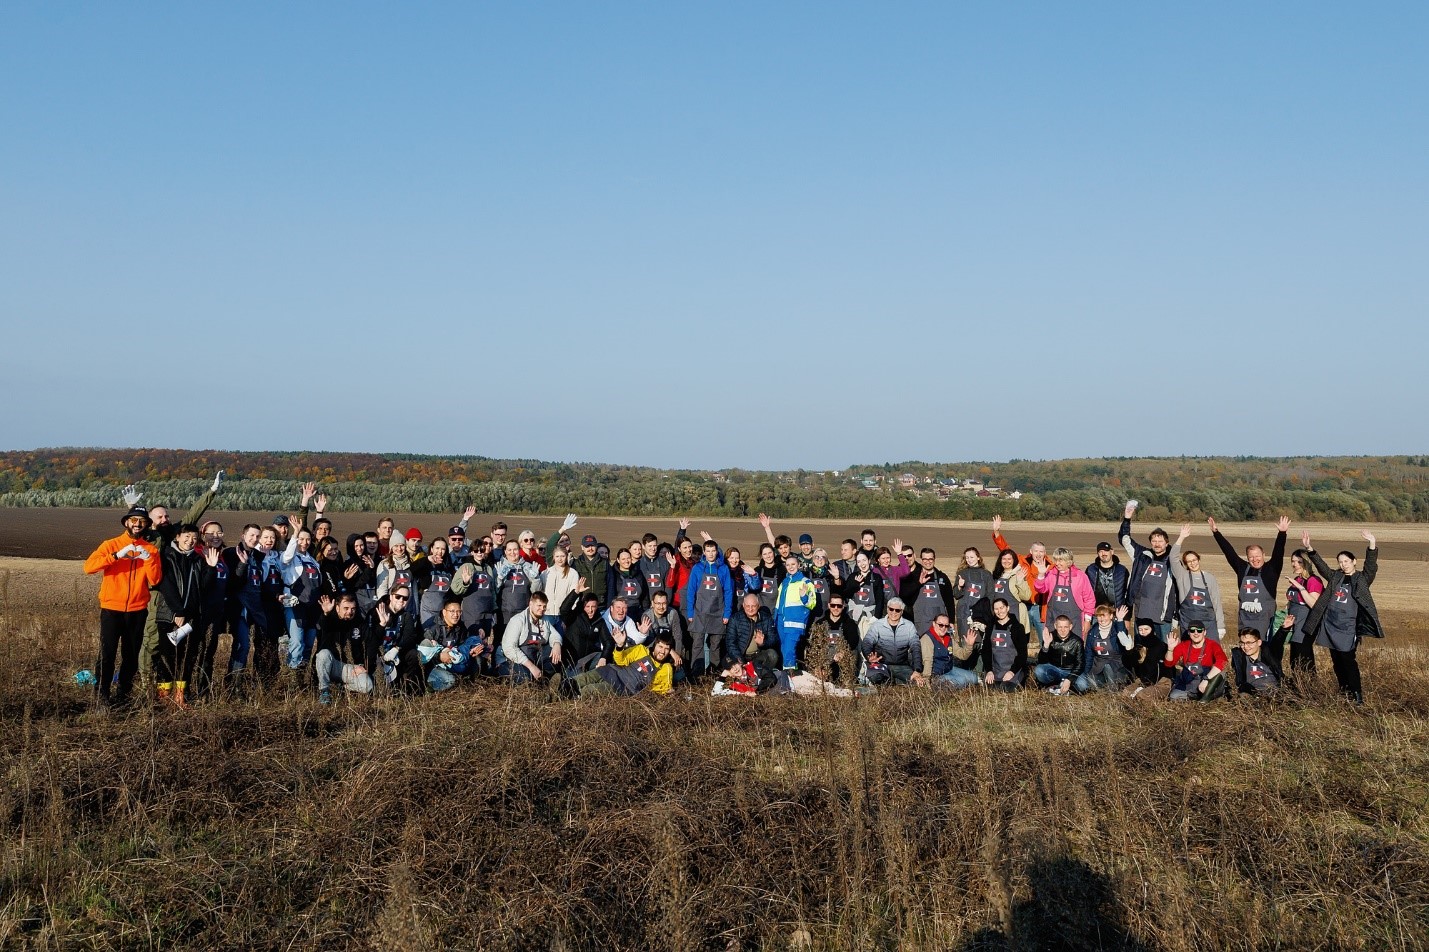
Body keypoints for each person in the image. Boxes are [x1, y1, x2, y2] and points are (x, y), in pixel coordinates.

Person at [1300, 529, 1382, 704]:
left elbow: (1371, 567)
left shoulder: (1362, 579)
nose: (1344, 564)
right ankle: (1344, 691)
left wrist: (1372, 544)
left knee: (1348, 660)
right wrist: (1309, 548)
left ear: (1354, 562)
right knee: (1336, 661)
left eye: (1346, 561)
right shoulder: (1335, 576)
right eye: (1340, 561)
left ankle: (1357, 695)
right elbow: (1321, 566)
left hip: (1348, 628)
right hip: (1330, 624)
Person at [151, 523, 217, 708]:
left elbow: (203, 588)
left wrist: (211, 568)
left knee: (187, 657)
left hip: (191, 618)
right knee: (167, 657)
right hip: (169, 616)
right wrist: (177, 612)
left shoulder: (198, 559)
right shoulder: (166, 556)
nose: (190, 541)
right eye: (187, 537)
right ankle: (163, 698)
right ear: (177, 537)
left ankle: (181, 697)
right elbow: (165, 584)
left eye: (194, 538)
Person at [1208, 516, 1290, 657]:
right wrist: (1216, 532)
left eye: (1258, 556)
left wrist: (1282, 533)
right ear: (1247, 558)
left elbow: (1278, 552)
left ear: (1264, 555)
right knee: (1245, 653)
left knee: (1265, 653)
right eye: (1251, 557)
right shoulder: (1242, 568)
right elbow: (1229, 552)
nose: (1255, 559)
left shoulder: (1272, 569)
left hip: (1265, 621)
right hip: (1245, 620)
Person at [1118, 502, 1178, 640]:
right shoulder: (1142, 556)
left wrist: (1176, 615)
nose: (1157, 544)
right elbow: (1125, 539)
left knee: (1163, 649)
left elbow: (1179, 589)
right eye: (1154, 541)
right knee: (1141, 650)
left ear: (1166, 543)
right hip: (1142, 613)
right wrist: (1127, 518)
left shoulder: (1173, 561)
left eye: (1160, 541)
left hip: (1163, 615)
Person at [991, 515, 1048, 644]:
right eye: (1036, 551)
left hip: (1040, 608)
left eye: (1041, 552)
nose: (1038, 554)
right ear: (1030, 551)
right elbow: (1006, 551)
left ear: (1045, 553)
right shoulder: (1022, 562)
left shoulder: (1049, 566)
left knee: (1045, 640)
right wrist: (996, 532)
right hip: (1023, 606)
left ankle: (1044, 663)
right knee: (1022, 637)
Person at [313, 594, 378, 703]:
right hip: (333, 665)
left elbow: (371, 645)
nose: (350, 612)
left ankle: (339, 688)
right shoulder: (330, 620)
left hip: (352, 668)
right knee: (323, 654)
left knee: (368, 686)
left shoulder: (360, 623)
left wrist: (365, 666)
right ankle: (324, 691)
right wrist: (326, 614)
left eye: (353, 608)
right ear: (337, 608)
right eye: (346, 608)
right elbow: (324, 624)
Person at [1170, 525, 1227, 643]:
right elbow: (1173, 558)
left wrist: (1220, 625)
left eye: (1194, 560)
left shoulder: (1209, 578)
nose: (1192, 563)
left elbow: (1216, 602)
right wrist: (1181, 537)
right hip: (1188, 623)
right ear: (1185, 564)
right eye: (1189, 561)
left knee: (1210, 656)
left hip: (1209, 624)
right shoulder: (1182, 576)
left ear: (1199, 560)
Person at [685, 539, 733, 677]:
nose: (711, 554)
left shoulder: (723, 568)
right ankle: (696, 673)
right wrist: (690, 612)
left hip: (718, 613)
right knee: (697, 644)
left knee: (715, 645)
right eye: (708, 551)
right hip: (699, 612)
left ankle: (713, 674)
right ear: (704, 552)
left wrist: (727, 613)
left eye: (713, 551)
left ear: (716, 551)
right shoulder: (697, 568)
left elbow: (728, 591)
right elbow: (691, 591)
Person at [500, 592, 562, 684]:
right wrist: (531, 666)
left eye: (544, 606)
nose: (542, 609)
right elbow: (509, 648)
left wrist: (557, 644)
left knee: (555, 655)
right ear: (530, 603)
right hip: (519, 661)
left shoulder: (544, 620)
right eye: (539, 605)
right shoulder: (517, 621)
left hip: (537, 656)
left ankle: (547, 680)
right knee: (527, 677)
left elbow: (554, 634)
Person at [859, 598, 923, 686]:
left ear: (902, 611)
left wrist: (917, 670)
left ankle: (896, 681)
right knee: (876, 679)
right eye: (891, 609)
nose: (893, 612)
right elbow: (867, 642)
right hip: (881, 664)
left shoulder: (909, 626)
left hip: (902, 666)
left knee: (917, 682)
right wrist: (869, 656)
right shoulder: (878, 625)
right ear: (887, 609)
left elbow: (916, 648)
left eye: (897, 610)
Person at [1032, 548, 1095, 637]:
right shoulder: (1051, 574)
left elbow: (1089, 599)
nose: (1057, 563)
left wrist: (1087, 620)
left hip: (1075, 620)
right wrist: (1041, 575)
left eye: (1060, 560)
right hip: (1053, 618)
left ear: (1068, 561)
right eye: (1056, 560)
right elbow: (1041, 589)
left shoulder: (1080, 576)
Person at [1281, 549, 1324, 674]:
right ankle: (1298, 687)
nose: (1295, 564)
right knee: (1294, 660)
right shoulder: (1298, 578)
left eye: (1299, 562)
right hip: (1294, 624)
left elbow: (1314, 604)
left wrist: (1300, 588)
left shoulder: (1313, 580)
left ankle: (1308, 688)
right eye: (1293, 561)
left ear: (1307, 563)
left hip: (1306, 626)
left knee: (1303, 659)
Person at [1074, 605, 1133, 694]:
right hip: (1098, 668)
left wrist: (1120, 620)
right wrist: (1086, 673)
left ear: (1111, 616)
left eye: (1104, 615)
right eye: (1099, 616)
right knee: (1082, 684)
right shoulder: (1092, 632)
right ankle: (1103, 687)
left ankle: (1114, 688)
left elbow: (1123, 637)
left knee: (1108, 667)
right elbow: (1089, 655)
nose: (1101, 619)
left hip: (1116, 667)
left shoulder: (1116, 628)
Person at [773, 554, 817, 670]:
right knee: (784, 649)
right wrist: (775, 618)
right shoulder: (784, 582)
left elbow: (812, 604)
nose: (790, 567)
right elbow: (779, 602)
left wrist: (804, 597)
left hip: (795, 622)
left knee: (789, 649)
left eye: (793, 564)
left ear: (799, 565)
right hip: (781, 621)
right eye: (788, 565)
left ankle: (789, 677)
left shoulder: (806, 582)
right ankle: (793, 672)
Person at [805, 595, 861, 687]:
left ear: (843, 606)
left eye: (839, 606)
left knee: (854, 653)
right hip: (825, 659)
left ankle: (847, 681)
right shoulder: (820, 623)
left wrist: (842, 652)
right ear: (829, 605)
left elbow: (853, 641)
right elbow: (814, 646)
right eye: (833, 605)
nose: (836, 608)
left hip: (842, 659)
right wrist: (818, 665)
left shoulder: (849, 623)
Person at [1163, 620, 1227, 701]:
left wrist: (1206, 679)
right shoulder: (1184, 645)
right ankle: (1194, 696)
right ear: (1189, 633)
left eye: (1199, 630)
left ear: (1204, 632)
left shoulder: (1212, 645)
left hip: (1207, 682)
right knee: (1173, 697)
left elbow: (1223, 661)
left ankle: (1208, 698)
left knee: (1221, 673)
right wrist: (1170, 649)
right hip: (1190, 683)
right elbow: (1168, 664)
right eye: (1192, 630)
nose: (1196, 633)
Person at [899, 548, 957, 637]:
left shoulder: (942, 577)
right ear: (921, 560)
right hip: (919, 622)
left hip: (939, 624)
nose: (928, 562)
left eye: (930, 559)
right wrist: (918, 584)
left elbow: (949, 601)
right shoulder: (913, 576)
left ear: (934, 559)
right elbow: (904, 596)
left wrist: (952, 621)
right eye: (925, 559)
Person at [981, 597, 1028, 691]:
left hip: (1013, 670)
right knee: (990, 688)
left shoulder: (1017, 627)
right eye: (996, 609)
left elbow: (1022, 654)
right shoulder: (990, 627)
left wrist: (1012, 672)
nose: (999, 611)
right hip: (996, 670)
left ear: (1007, 608)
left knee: (1006, 688)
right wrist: (989, 670)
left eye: (1002, 607)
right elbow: (986, 651)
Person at [922, 612, 978, 691]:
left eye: (946, 626)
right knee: (962, 681)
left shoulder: (948, 638)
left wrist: (969, 645)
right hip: (937, 675)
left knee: (974, 678)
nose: (943, 628)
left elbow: (962, 655)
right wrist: (927, 681)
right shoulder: (927, 639)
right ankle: (939, 686)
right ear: (934, 624)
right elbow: (927, 661)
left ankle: (951, 685)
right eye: (940, 625)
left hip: (950, 669)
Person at [725, 593, 780, 671]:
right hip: (741, 655)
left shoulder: (766, 618)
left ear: (758, 605)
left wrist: (762, 643)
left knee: (772, 654)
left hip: (758, 656)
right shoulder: (735, 619)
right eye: (748, 606)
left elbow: (774, 639)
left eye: (753, 606)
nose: (750, 609)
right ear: (743, 605)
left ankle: (761, 676)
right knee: (727, 660)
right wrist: (740, 660)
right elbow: (730, 642)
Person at [494, 540, 541, 631]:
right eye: (509, 550)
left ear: (519, 550)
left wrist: (535, 579)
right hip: (504, 613)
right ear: (505, 551)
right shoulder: (499, 567)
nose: (512, 553)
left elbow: (536, 591)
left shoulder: (528, 567)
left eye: (515, 549)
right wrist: (499, 578)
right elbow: (494, 591)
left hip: (523, 612)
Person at [1032, 616, 1084, 696]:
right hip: (1054, 669)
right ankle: (1054, 685)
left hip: (1070, 670)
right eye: (1060, 627)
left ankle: (1066, 687)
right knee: (1039, 670)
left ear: (1070, 627)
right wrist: (1046, 645)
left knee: (1083, 685)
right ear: (1055, 626)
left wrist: (1069, 679)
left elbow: (1080, 664)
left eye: (1065, 627)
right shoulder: (1050, 637)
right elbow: (1041, 661)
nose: (1063, 630)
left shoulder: (1077, 641)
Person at [642, 591, 688, 673]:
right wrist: (670, 651)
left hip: (669, 647)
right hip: (654, 649)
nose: (661, 607)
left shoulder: (673, 613)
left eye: (664, 603)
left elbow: (678, 637)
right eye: (658, 603)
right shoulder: (647, 616)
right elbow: (650, 641)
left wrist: (677, 656)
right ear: (652, 603)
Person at [1231, 627, 1283, 699]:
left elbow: (1278, 643)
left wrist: (1284, 629)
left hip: (1276, 693)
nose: (1245, 647)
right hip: (1253, 694)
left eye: (1249, 643)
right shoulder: (1239, 657)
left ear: (1259, 642)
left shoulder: (1269, 654)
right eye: (1242, 643)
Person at [953, 548, 994, 639]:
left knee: (979, 641)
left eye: (972, 557)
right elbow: (956, 594)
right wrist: (959, 586)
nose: (969, 560)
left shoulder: (987, 574)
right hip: (964, 613)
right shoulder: (962, 573)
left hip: (980, 614)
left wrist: (987, 613)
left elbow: (990, 595)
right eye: (967, 557)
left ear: (978, 558)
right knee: (965, 641)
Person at [842, 551, 886, 625]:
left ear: (869, 561)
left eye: (864, 560)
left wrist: (876, 617)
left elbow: (880, 599)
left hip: (871, 614)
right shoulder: (852, 577)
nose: (862, 564)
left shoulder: (876, 577)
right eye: (859, 561)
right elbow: (846, 595)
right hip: (854, 614)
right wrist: (856, 584)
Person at [572, 534, 611, 609]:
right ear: (582, 547)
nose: (590, 548)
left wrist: (609, 606)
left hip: (601, 607)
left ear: (596, 546)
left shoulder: (605, 563)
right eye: (587, 546)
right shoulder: (576, 564)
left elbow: (610, 586)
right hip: (582, 607)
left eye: (592, 546)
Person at [1086, 542, 1130, 610]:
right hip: (1096, 612)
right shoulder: (1090, 570)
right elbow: (1085, 592)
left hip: (1116, 612)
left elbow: (1128, 593)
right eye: (1100, 551)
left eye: (1106, 550)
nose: (1103, 554)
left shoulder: (1122, 571)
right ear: (1097, 554)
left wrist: (1127, 616)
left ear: (1112, 552)